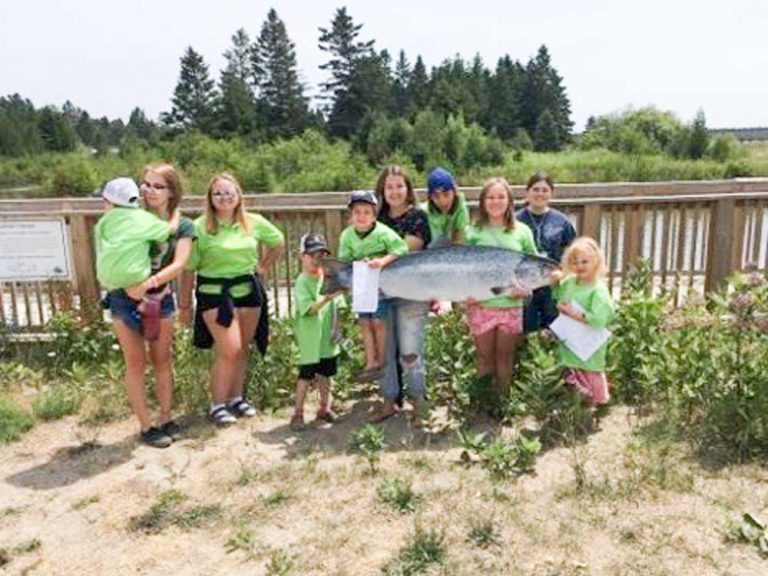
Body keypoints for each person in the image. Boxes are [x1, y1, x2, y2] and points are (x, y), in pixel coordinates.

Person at [184, 173, 285, 427]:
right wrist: (184, 305)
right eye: (218, 193)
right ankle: (217, 404)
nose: (224, 197)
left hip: (248, 291)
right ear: (210, 198)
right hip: (214, 294)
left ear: (239, 195)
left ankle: (237, 398)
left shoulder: (253, 222)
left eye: (229, 192)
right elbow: (187, 268)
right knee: (229, 349)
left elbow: (278, 242)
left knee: (242, 348)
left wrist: (263, 266)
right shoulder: (198, 227)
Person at [95, 176, 182, 448]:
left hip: (119, 294)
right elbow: (168, 231)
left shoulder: (103, 223)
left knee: (136, 364)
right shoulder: (143, 220)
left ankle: (147, 426)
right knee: (161, 361)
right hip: (148, 292)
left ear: (109, 202)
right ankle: (165, 418)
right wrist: (176, 214)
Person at [465, 177, 537, 400]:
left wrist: (526, 290)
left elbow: (533, 268)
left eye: (501, 197)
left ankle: (503, 403)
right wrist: (464, 295)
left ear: (509, 201)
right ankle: (483, 403)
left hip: (510, 306)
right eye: (491, 197)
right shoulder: (471, 232)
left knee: (505, 358)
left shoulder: (522, 231)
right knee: (484, 358)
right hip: (480, 306)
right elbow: (461, 270)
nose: (496, 201)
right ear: (483, 201)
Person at [375, 166, 432, 425]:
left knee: (411, 352)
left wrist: (378, 255)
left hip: (412, 293)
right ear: (382, 190)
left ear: (408, 189)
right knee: (385, 351)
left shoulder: (418, 217)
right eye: (389, 186)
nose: (394, 191)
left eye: (399, 185)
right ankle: (388, 402)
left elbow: (407, 249)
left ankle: (418, 402)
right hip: (380, 293)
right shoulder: (374, 217)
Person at [337, 190, 408, 395]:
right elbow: (344, 259)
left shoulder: (383, 232)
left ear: (374, 215)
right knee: (364, 323)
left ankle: (381, 359)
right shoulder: (347, 235)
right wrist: (357, 263)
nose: (361, 216)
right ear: (350, 215)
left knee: (378, 322)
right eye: (357, 212)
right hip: (361, 284)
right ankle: (370, 362)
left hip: (380, 283)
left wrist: (381, 261)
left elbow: (401, 248)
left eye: (366, 212)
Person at [552, 237, 615, 407]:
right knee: (571, 373)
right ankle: (575, 408)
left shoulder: (598, 289)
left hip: (589, 344)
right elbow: (558, 297)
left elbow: (599, 319)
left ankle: (594, 407)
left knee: (589, 373)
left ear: (596, 262)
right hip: (571, 341)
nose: (579, 266)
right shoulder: (570, 283)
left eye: (584, 261)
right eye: (574, 262)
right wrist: (555, 283)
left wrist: (572, 313)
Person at [290, 233, 343, 431]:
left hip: (327, 339)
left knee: (326, 376)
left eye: (321, 255)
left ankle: (324, 408)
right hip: (310, 340)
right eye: (312, 255)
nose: (316, 259)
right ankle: (298, 413)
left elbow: (339, 306)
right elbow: (310, 309)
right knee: (305, 377)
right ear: (302, 256)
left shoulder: (328, 278)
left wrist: (338, 328)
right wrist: (326, 298)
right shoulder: (302, 281)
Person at [516, 172, 576, 332]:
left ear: (551, 193)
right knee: (525, 329)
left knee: (554, 329)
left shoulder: (562, 221)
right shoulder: (516, 220)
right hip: (525, 284)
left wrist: (566, 276)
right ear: (527, 192)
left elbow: (573, 253)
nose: (540, 194)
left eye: (545, 190)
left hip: (553, 285)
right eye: (535, 189)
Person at [422, 166, 470, 248]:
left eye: (446, 194)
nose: (442, 201)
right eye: (436, 196)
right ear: (430, 197)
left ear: (454, 192)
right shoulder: (423, 212)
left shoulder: (460, 207)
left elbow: (459, 240)